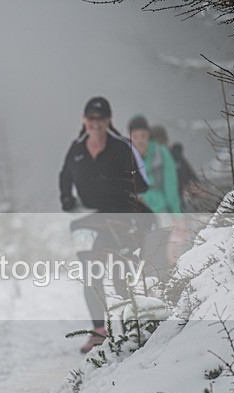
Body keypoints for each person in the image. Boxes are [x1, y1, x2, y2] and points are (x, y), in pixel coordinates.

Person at [59, 96, 152, 354]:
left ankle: (130, 329)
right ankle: (99, 331)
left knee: (121, 274)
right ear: (84, 120)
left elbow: (142, 183)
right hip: (86, 221)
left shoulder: (122, 147)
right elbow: (64, 177)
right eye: (91, 118)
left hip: (119, 219)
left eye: (100, 119)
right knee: (91, 275)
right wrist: (66, 199)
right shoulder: (76, 149)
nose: (96, 123)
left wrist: (119, 192)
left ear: (109, 120)